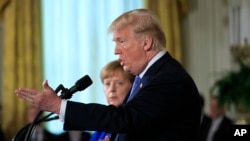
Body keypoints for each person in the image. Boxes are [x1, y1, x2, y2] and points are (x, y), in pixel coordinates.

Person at [15, 9, 201, 141]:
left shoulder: (167, 78)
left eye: (122, 41)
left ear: (146, 43)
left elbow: (125, 118)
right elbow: (141, 125)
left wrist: (59, 105)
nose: (115, 51)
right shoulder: (147, 75)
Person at [89, 60, 135, 141]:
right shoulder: (100, 130)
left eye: (119, 83)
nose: (111, 89)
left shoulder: (136, 123)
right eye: (107, 84)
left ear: (132, 87)